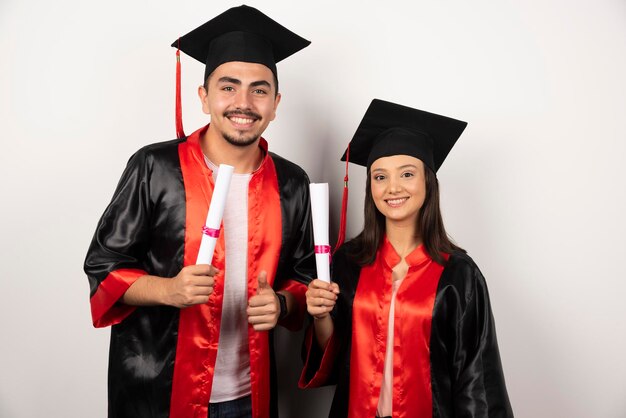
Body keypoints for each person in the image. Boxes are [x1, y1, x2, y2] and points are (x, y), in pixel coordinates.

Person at [84, 5, 315, 418]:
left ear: (276, 103)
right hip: (156, 391)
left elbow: (304, 280)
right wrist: (168, 290)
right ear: (204, 97)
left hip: (250, 397)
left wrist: (281, 304)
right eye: (228, 87)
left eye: (259, 90)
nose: (243, 103)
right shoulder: (155, 168)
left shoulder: (292, 183)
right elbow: (104, 266)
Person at [300, 99, 514, 417]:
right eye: (380, 177)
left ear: (428, 182)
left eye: (407, 174)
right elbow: (336, 355)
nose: (393, 187)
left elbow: (476, 379)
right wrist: (320, 316)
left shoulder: (458, 275)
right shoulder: (349, 263)